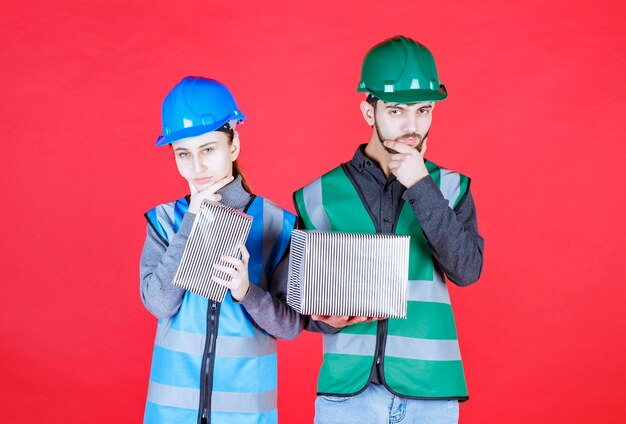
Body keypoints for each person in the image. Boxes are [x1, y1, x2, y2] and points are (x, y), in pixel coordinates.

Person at [294, 36, 484, 424]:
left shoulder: (451, 188)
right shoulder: (318, 196)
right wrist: (320, 317)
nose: (412, 126)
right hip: (346, 395)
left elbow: (467, 270)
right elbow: (298, 300)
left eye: (423, 110)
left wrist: (421, 187)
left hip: (431, 394)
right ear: (369, 112)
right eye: (396, 111)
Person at [140, 76, 302, 424]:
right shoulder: (166, 221)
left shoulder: (278, 224)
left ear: (233, 146)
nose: (197, 167)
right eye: (184, 153)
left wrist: (246, 291)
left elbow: (290, 327)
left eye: (208, 149)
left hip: (245, 414)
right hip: (171, 413)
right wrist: (192, 222)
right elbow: (159, 302)